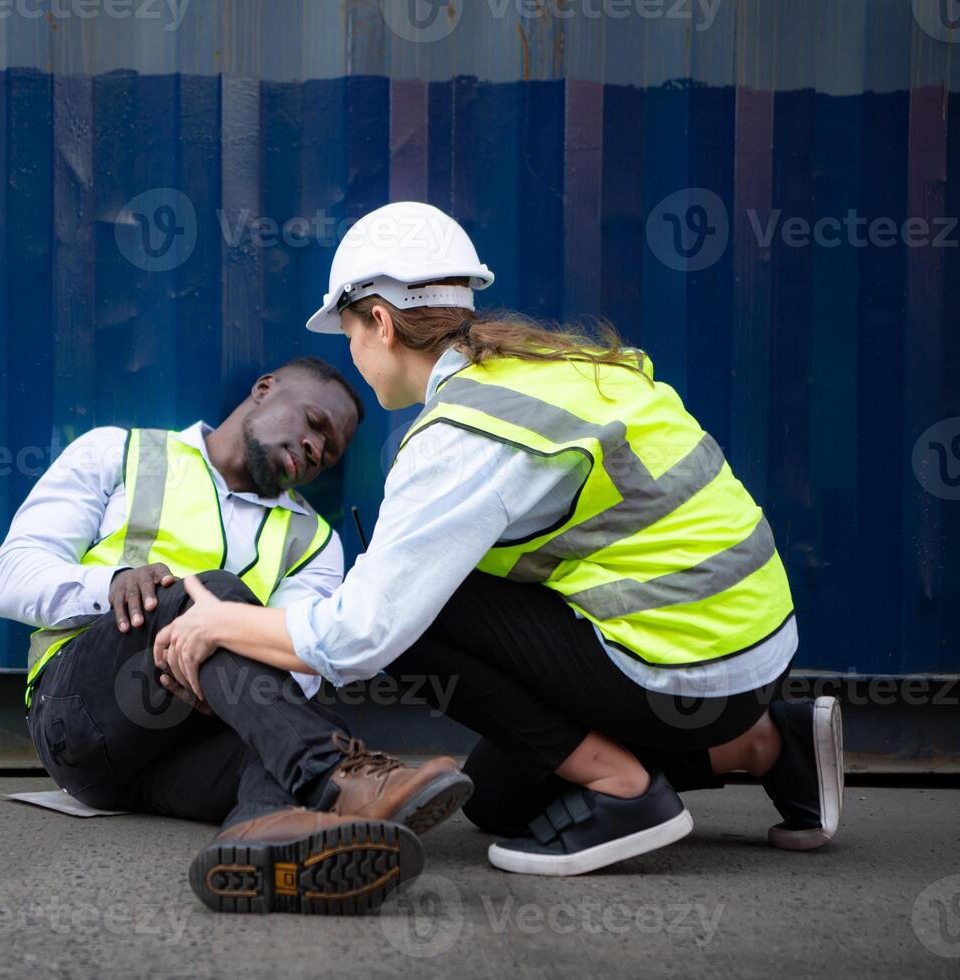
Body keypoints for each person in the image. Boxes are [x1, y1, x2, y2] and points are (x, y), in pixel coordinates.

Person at [154, 202, 843, 877]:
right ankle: (768, 743)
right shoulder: (547, 366)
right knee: (501, 797)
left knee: (413, 614)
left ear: (381, 323)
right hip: (746, 649)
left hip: (684, 664)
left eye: (350, 334)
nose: (353, 354)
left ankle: (626, 794)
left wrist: (221, 621)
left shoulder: (460, 434)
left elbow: (363, 635)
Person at [0, 356, 472, 913]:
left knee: (288, 732)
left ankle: (257, 840)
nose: (316, 449)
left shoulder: (314, 540)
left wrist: (219, 682)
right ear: (265, 390)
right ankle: (335, 776)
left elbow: (300, 663)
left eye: (330, 451)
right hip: (82, 715)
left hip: (183, 752)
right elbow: (11, 578)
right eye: (313, 422)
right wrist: (116, 582)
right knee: (211, 596)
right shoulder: (118, 454)